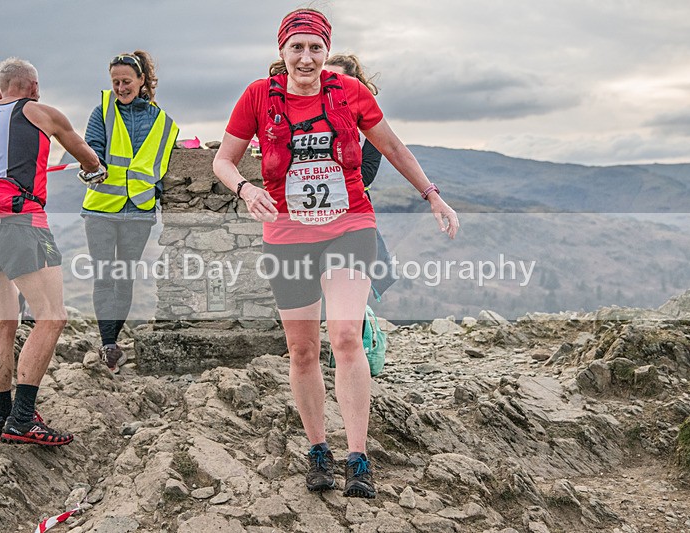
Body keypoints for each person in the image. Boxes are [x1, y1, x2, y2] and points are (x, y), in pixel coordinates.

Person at [213, 9, 459, 498]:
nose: (306, 58)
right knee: (302, 350)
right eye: (296, 48)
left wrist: (432, 194)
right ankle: (319, 449)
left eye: (315, 49)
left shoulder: (349, 93)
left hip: (350, 226)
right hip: (287, 234)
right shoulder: (258, 96)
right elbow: (223, 159)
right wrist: (244, 188)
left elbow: (391, 147)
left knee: (345, 335)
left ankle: (358, 456)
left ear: (327, 51)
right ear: (282, 52)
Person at [0, 57, 104, 446]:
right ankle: (24, 418)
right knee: (52, 317)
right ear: (33, 88)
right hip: (19, 220)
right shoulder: (41, 112)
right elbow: (86, 155)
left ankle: (3, 420)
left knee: (4, 322)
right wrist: (93, 170)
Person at [81, 50, 179, 373]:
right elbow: (92, 148)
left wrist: (157, 195)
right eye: (115, 82)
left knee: (124, 278)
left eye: (126, 81)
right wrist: (94, 165)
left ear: (141, 81)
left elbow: (161, 167)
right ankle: (108, 343)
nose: (121, 87)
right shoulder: (102, 112)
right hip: (101, 209)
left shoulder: (162, 122)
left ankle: (112, 337)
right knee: (104, 274)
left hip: (138, 211)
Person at [325, 53, 396, 297]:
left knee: (352, 287)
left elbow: (366, 174)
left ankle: (360, 334)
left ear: (354, 84)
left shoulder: (368, 126)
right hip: (309, 216)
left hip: (353, 212)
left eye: (338, 79)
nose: (330, 85)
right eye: (326, 78)